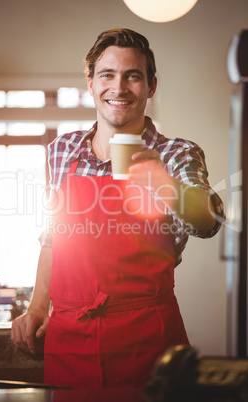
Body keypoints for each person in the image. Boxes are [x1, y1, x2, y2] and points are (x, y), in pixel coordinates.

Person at [11, 28, 225, 389]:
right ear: (91, 84)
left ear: (151, 86)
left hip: (149, 344)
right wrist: (36, 308)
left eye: (133, 76)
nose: (119, 87)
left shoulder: (176, 154)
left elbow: (210, 220)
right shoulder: (61, 151)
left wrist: (166, 186)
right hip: (69, 342)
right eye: (107, 75)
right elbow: (53, 238)